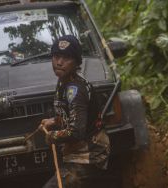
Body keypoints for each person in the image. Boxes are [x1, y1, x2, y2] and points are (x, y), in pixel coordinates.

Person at [41, 35, 110, 188]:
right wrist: (53, 121)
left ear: (77, 62)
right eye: (56, 56)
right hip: (75, 154)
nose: (59, 62)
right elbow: (70, 115)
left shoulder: (75, 89)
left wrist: (53, 136)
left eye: (66, 58)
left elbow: (76, 131)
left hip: (88, 156)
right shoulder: (63, 82)